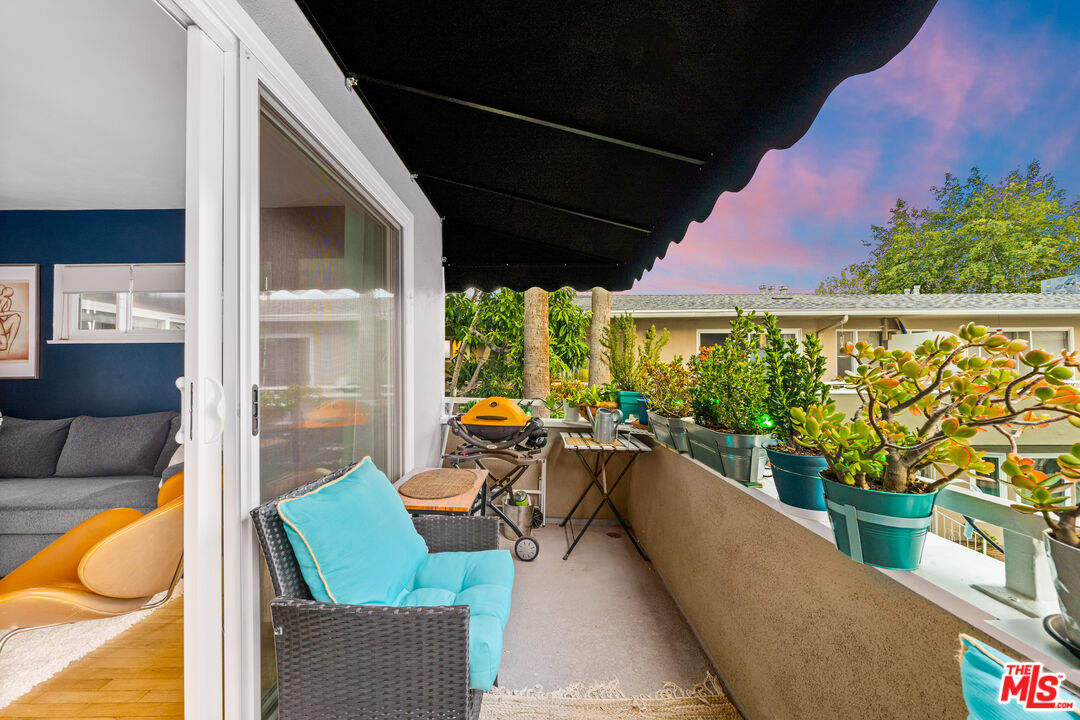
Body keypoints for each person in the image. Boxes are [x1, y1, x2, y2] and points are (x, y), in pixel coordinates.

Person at [0, 285, 22, 352]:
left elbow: (4, 317)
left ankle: (9, 347)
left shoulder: (8, 301)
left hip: (2, 325)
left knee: (16, 317)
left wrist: (4, 303)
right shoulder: (4, 300)